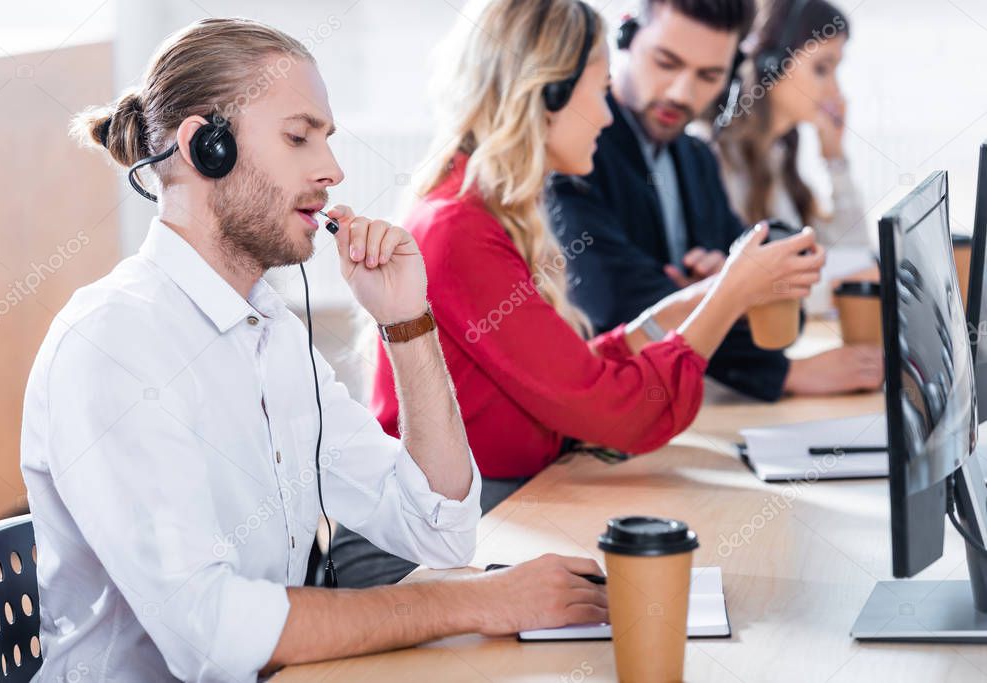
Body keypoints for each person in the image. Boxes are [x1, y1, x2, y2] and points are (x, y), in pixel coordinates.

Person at [20, 18, 610, 682]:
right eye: (298, 137)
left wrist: (408, 323)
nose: (330, 170)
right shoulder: (115, 342)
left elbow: (437, 530)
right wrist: (472, 601)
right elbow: (211, 636)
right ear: (204, 146)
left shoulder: (269, 328)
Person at [330, 0, 825, 588]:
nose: (608, 116)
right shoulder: (458, 229)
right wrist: (729, 294)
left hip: (492, 510)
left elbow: (575, 373)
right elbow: (620, 411)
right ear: (546, 95)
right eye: (597, 91)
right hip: (410, 555)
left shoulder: (484, 210)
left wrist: (712, 293)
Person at [547, 0, 883, 401]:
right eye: (666, 63)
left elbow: (768, 290)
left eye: (709, 75)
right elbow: (616, 302)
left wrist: (729, 286)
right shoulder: (576, 150)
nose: (681, 93)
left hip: (685, 400)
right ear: (626, 40)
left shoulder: (696, 159)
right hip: (607, 408)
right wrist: (773, 359)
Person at [711, 0, 875, 310]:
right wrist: (844, 285)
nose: (835, 89)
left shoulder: (779, 158)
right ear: (771, 65)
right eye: (822, 69)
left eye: (836, 70)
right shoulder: (719, 161)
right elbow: (746, 294)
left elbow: (853, 249)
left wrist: (835, 157)